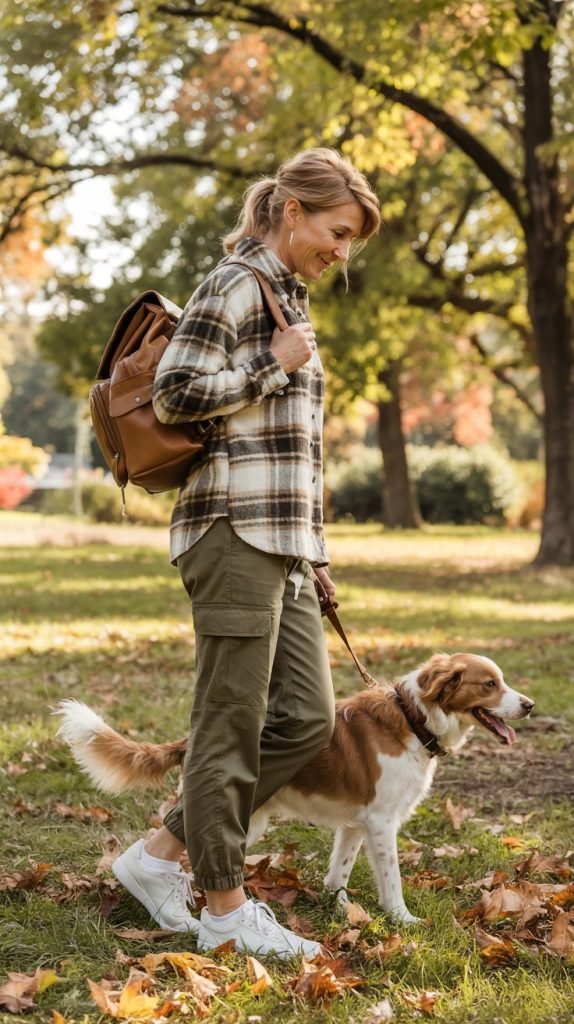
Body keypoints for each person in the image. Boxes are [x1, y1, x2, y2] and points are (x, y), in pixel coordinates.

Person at [111, 147, 381, 958]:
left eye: (352, 243)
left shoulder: (288, 296)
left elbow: (298, 445)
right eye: (337, 233)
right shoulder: (233, 283)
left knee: (302, 719)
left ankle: (159, 855)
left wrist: (316, 547)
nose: (342, 252)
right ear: (292, 211)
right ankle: (225, 909)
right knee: (230, 720)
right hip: (231, 531)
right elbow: (177, 392)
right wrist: (273, 363)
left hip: (284, 541)